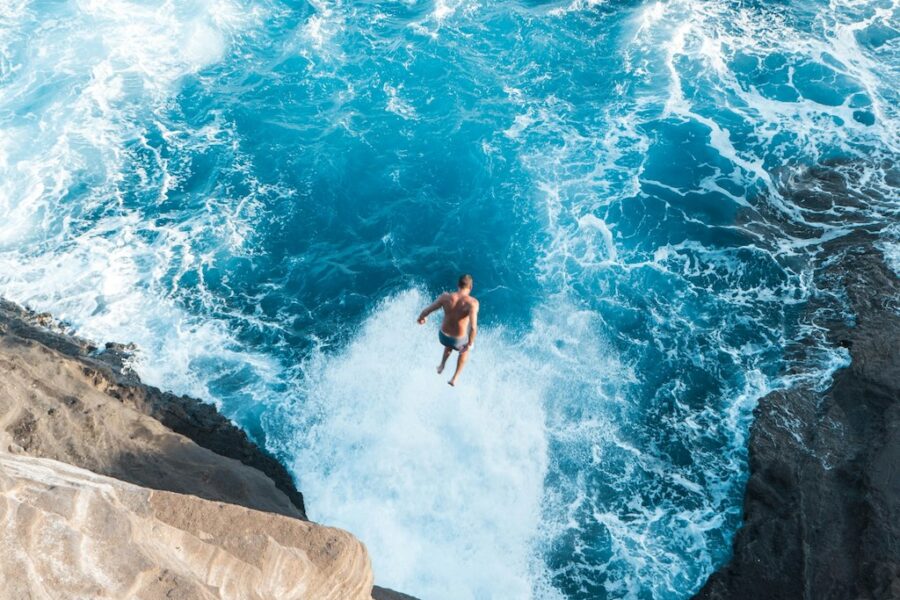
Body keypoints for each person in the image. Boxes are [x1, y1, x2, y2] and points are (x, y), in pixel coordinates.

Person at [417, 274, 479, 386]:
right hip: (458, 341)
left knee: (449, 344)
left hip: (443, 336)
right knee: (465, 350)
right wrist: (469, 344)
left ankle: (441, 365)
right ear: (470, 287)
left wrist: (421, 318)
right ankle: (454, 378)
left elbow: (428, 310)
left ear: (458, 285)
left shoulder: (445, 297)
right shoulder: (472, 303)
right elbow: (474, 327)